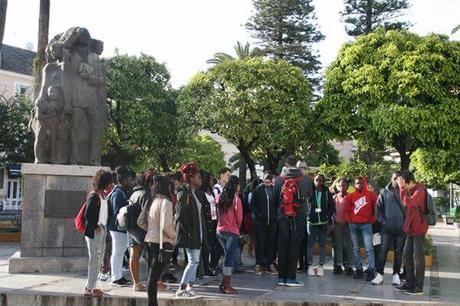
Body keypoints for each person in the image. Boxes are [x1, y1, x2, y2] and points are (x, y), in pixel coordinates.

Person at [273, 157, 312, 287]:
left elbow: (274, 199)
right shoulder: (306, 180)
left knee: (282, 246)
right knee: (294, 247)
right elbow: (308, 197)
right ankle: (291, 278)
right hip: (299, 217)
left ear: (286, 164)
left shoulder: (279, 179)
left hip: (282, 217)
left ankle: (281, 278)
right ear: (297, 165)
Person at [175, 162, 207, 298]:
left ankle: (189, 287)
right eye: (198, 177)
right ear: (192, 178)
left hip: (198, 232)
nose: (200, 179)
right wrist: (188, 232)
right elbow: (181, 215)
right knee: (193, 261)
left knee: (195, 260)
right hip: (191, 233)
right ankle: (182, 289)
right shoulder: (184, 194)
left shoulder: (196, 193)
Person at [143, 175, 176, 306]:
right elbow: (166, 226)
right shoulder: (166, 203)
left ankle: (152, 303)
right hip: (161, 242)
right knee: (154, 276)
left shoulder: (152, 201)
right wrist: (174, 236)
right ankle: (152, 304)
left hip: (150, 239)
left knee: (151, 275)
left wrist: (151, 229)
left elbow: (141, 221)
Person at [394, 170, 428, 295]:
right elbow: (406, 204)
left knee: (418, 258)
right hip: (411, 228)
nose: (402, 185)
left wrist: (402, 188)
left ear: (410, 182)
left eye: (404, 182)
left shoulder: (420, 191)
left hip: (419, 228)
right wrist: (403, 188)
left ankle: (418, 287)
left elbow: (408, 203)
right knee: (406, 255)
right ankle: (409, 283)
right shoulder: (411, 190)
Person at [372, 171, 406, 286]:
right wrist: (384, 222)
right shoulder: (384, 192)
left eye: (399, 178)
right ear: (391, 178)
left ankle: (396, 274)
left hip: (402, 229)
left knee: (399, 252)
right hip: (387, 228)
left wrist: (406, 223)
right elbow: (378, 210)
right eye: (395, 178)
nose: (397, 180)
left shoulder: (406, 192)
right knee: (382, 251)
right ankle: (379, 274)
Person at [83, 170, 113, 297]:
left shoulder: (101, 195)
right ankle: (89, 288)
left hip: (101, 229)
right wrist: (95, 226)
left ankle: (92, 286)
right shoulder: (94, 196)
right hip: (95, 231)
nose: (111, 184)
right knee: (94, 260)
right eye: (110, 182)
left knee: (98, 259)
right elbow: (88, 214)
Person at [346, 176, 378, 281]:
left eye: (360, 183)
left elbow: (377, 209)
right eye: (356, 183)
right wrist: (350, 220)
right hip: (353, 225)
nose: (358, 185)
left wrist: (371, 220)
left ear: (364, 183)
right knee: (355, 248)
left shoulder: (371, 195)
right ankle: (358, 269)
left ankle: (370, 269)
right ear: (354, 185)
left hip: (366, 225)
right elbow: (346, 210)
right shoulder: (350, 196)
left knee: (369, 248)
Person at [127, 171, 155, 291]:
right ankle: (153, 282)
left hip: (131, 227)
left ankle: (136, 283)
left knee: (134, 255)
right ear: (149, 182)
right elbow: (148, 215)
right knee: (152, 255)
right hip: (143, 228)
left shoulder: (134, 193)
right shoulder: (147, 194)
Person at [107, 166, 134, 286]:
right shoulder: (119, 193)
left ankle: (118, 275)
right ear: (122, 180)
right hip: (117, 227)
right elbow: (117, 211)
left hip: (120, 228)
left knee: (120, 252)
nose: (130, 182)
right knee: (118, 252)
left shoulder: (121, 191)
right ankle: (115, 277)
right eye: (128, 179)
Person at [216, 175, 243, 294]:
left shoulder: (220, 197)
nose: (239, 187)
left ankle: (223, 283)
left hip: (220, 230)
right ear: (235, 185)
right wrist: (236, 227)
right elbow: (239, 218)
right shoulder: (236, 199)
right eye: (238, 184)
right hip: (232, 231)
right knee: (229, 259)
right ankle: (226, 285)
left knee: (227, 257)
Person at [250, 173, 277, 275]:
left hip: (272, 222)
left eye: (268, 180)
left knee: (270, 243)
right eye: (265, 180)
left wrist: (276, 215)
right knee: (260, 242)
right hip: (260, 222)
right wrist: (259, 214)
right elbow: (252, 205)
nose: (267, 182)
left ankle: (269, 264)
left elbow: (278, 203)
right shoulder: (258, 190)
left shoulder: (274, 190)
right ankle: (258, 264)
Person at [307, 174, 334, 277]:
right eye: (317, 180)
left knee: (322, 245)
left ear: (323, 182)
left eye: (321, 180)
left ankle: (321, 266)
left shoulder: (327, 192)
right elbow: (305, 203)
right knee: (310, 244)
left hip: (323, 223)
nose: (319, 182)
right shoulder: (310, 191)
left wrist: (327, 216)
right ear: (314, 181)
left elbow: (332, 206)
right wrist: (309, 214)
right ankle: (310, 266)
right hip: (311, 222)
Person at [332, 178, 354, 276]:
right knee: (338, 245)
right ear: (337, 186)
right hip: (337, 224)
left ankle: (350, 266)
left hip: (348, 224)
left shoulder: (351, 197)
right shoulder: (334, 198)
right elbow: (332, 211)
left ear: (347, 186)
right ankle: (338, 265)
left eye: (344, 185)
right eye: (340, 185)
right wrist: (335, 220)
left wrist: (347, 221)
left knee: (348, 245)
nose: (342, 187)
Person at [198, 170, 219, 276]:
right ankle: (204, 267)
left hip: (214, 220)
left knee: (212, 245)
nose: (212, 181)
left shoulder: (211, 191)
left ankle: (210, 266)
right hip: (206, 222)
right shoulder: (201, 193)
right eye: (210, 179)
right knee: (205, 246)